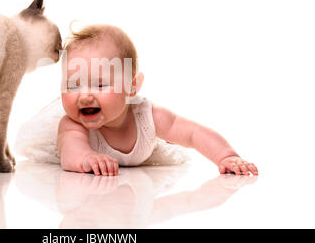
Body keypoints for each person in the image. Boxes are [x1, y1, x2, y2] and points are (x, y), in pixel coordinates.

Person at [16, 24, 258, 177]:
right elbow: (71, 152)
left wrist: (226, 157)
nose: (85, 95)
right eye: (73, 85)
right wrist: (86, 158)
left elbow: (194, 133)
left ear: (132, 87)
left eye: (100, 85)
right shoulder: (72, 124)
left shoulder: (148, 117)